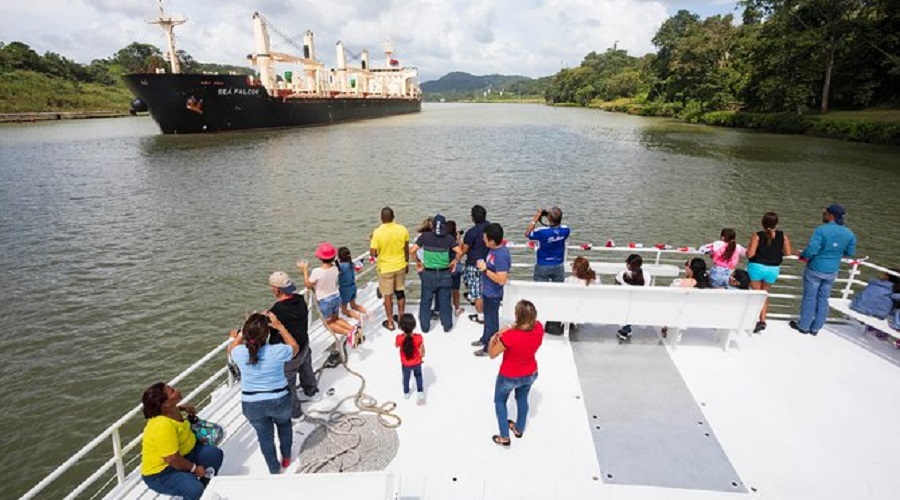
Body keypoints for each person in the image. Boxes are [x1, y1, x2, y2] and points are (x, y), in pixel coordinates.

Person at [228, 312, 298, 474]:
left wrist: (240, 334)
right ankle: (286, 458)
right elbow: (295, 348)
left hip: (251, 405)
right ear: (267, 333)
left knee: (265, 437)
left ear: (246, 333)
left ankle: (274, 469)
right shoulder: (278, 351)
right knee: (285, 426)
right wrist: (280, 327)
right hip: (280, 400)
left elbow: (231, 348)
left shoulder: (239, 352)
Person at [140, 383, 224, 500]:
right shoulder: (162, 426)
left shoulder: (170, 410)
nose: (177, 390)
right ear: (165, 403)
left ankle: (205, 490)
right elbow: (172, 459)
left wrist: (181, 408)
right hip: (163, 472)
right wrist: (195, 469)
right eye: (172, 391)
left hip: (185, 455)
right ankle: (197, 493)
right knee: (194, 489)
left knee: (215, 455)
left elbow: (171, 411)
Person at [790, 204, 857, 336]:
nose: (823, 215)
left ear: (831, 215)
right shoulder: (849, 233)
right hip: (832, 270)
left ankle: (803, 326)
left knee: (810, 297)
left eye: (825, 213)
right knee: (823, 298)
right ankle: (816, 328)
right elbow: (850, 252)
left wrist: (802, 254)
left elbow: (812, 249)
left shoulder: (821, 230)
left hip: (816, 267)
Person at [487, 299, 545, 446]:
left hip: (509, 376)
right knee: (522, 399)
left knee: (500, 401)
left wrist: (492, 339)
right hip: (530, 372)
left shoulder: (511, 336)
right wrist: (509, 327)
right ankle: (519, 429)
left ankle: (504, 436)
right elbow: (524, 326)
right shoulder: (539, 328)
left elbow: (492, 354)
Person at [267, 271, 319, 420]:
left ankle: (295, 413)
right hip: (303, 343)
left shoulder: (277, 310)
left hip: (289, 353)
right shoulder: (300, 299)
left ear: (276, 289)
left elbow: (271, 329)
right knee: (306, 368)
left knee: (288, 382)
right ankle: (311, 391)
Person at [299, 242, 358, 340]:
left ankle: (349, 333)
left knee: (328, 323)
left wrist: (304, 270)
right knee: (336, 319)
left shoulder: (317, 271)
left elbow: (308, 285)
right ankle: (353, 329)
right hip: (336, 296)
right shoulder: (336, 268)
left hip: (325, 300)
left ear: (320, 258)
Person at [414, 214, 462, 333]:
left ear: (433, 226)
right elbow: (459, 251)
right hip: (445, 273)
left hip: (428, 274)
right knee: (445, 302)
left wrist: (418, 262)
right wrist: (454, 262)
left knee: (426, 301)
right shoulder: (449, 238)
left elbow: (412, 250)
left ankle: (425, 327)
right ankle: (447, 326)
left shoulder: (425, 237)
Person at [747, 212, 793, 333]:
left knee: (756, 294)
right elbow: (788, 253)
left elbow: (750, 254)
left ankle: (752, 319)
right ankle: (762, 320)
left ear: (762, 223)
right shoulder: (783, 236)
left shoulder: (757, 236)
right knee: (764, 294)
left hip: (756, 267)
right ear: (776, 223)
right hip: (773, 269)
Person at [474, 223, 511, 356]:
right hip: (487, 290)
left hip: (494, 294)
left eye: (485, 238)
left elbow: (502, 279)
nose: (483, 240)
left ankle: (489, 348)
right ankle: (485, 339)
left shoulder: (501, 256)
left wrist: (485, 270)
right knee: (487, 319)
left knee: (492, 322)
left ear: (492, 241)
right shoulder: (493, 250)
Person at [370, 207, 410, 331]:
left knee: (387, 295)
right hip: (400, 265)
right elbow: (406, 249)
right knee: (400, 292)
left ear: (381, 218)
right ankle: (401, 318)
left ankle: (391, 322)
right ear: (393, 217)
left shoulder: (377, 232)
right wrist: (406, 263)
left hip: (385, 268)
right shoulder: (402, 229)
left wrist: (372, 240)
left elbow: (373, 253)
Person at [662, 258, 710, 338]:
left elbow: (673, 297)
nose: (686, 265)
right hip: (699, 312)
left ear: (692, 269)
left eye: (688, 264)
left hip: (682, 312)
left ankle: (667, 328)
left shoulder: (687, 282)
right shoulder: (706, 281)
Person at [525, 206, 571, 282]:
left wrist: (535, 219)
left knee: (541, 288)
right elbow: (555, 227)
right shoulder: (566, 230)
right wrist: (550, 215)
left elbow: (527, 234)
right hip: (558, 264)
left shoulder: (542, 232)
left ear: (549, 218)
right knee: (558, 287)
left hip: (543, 264)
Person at [461, 205, 490, 324]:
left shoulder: (471, 232)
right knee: (485, 289)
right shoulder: (491, 228)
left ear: (473, 218)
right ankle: (482, 307)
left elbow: (464, 250)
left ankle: (480, 316)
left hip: (474, 265)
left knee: (477, 293)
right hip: (489, 264)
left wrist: (456, 257)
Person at [615, 254, 651, 340]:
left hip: (624, 302)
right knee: (632, 304)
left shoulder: (622, 274)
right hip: (639, 303)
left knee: (628, 304)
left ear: (628, 264)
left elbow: (616, 286)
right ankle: (627, 328)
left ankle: (625, 330)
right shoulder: (646, 275)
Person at [395, 313, 426, 404]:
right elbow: (422, 349)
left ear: (401, 327)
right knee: (418, 376)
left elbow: (396, 345)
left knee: (406, 378)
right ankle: (420, 392)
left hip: (406, 364)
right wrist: (421, 357)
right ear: (414, 325)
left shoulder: (399, 338)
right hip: (417, 362)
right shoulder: (419, 337)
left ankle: (406, 393)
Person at [337, 247, 368, 323]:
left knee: (344, 310)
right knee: (353, 305)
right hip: (353, 286)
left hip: (345, 289)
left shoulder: (341, 266)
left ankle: (358, 317)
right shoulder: (352, 264)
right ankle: (366, 312)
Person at [446, 220, 465, 316]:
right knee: (455, 289)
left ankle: (444, 308)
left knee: (445, 289)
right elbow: (461, 251)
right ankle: (457, 308)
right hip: (455, 266)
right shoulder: (455, 240)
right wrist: (459, 238)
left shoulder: (444, 239)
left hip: (445, 266)